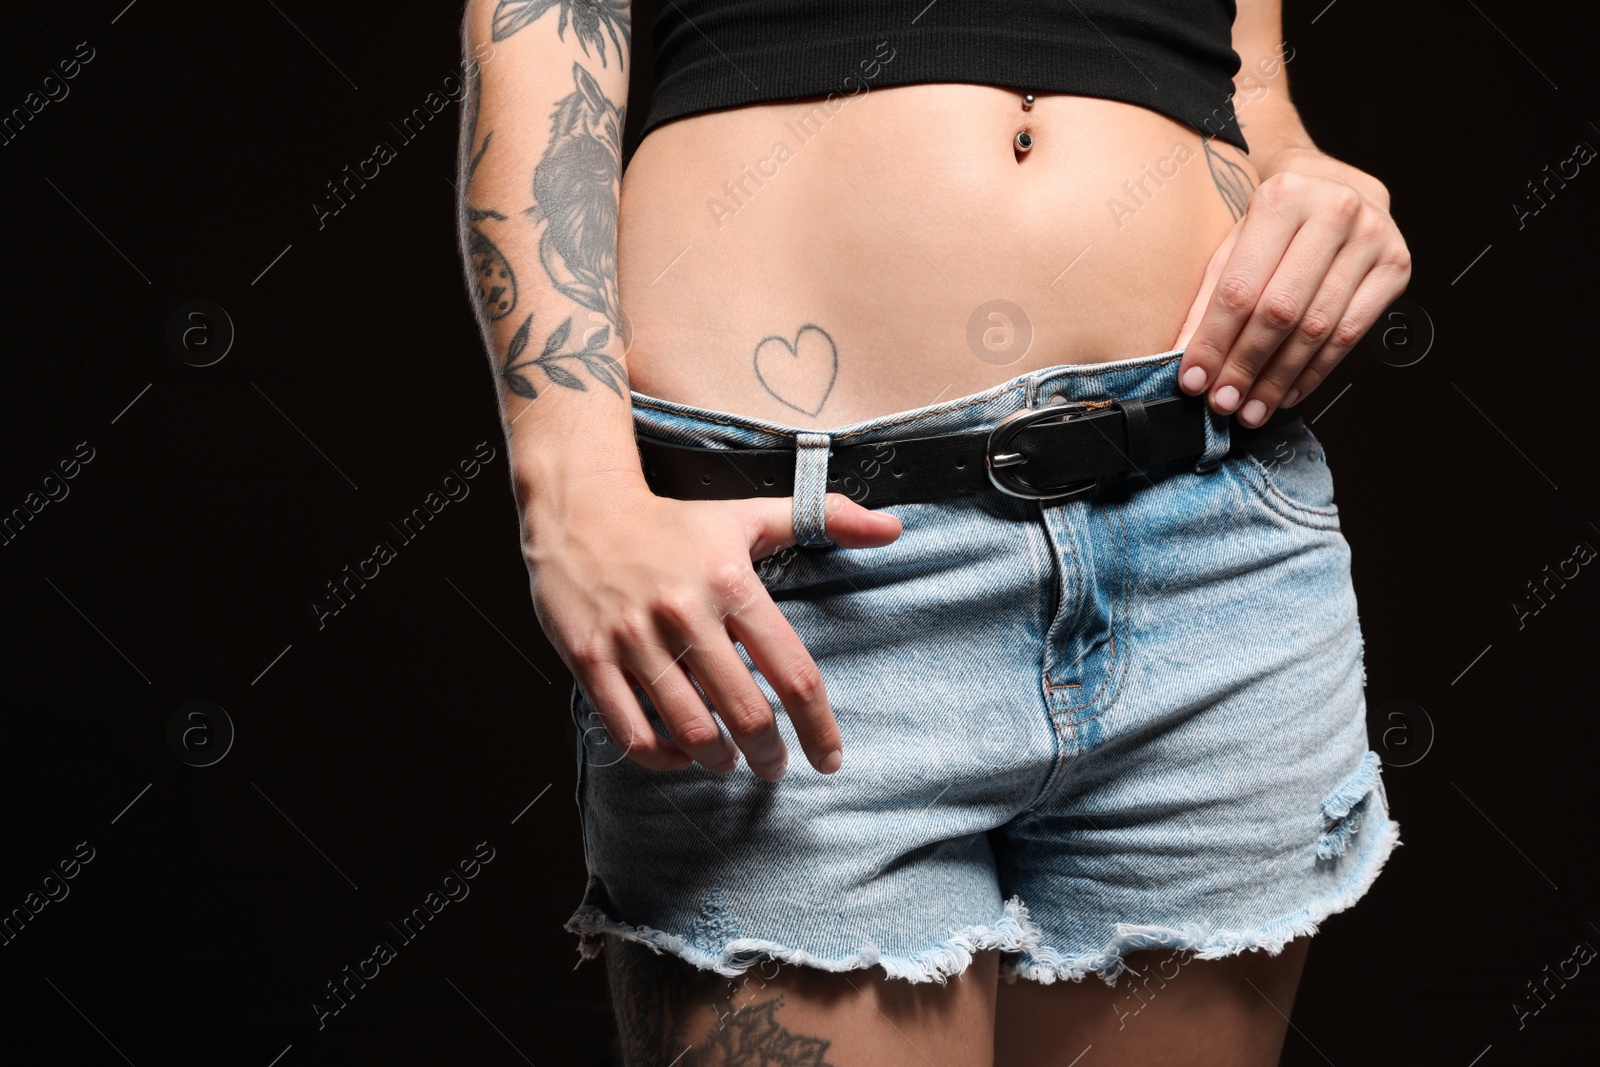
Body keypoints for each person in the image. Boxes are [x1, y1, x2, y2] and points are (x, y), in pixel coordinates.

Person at [457, 1, 1409, 1063]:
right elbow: (546, 31)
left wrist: (1310, 172)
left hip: (1201, 539)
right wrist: (571, 481)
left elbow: (1247, 82)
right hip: (797, 575)